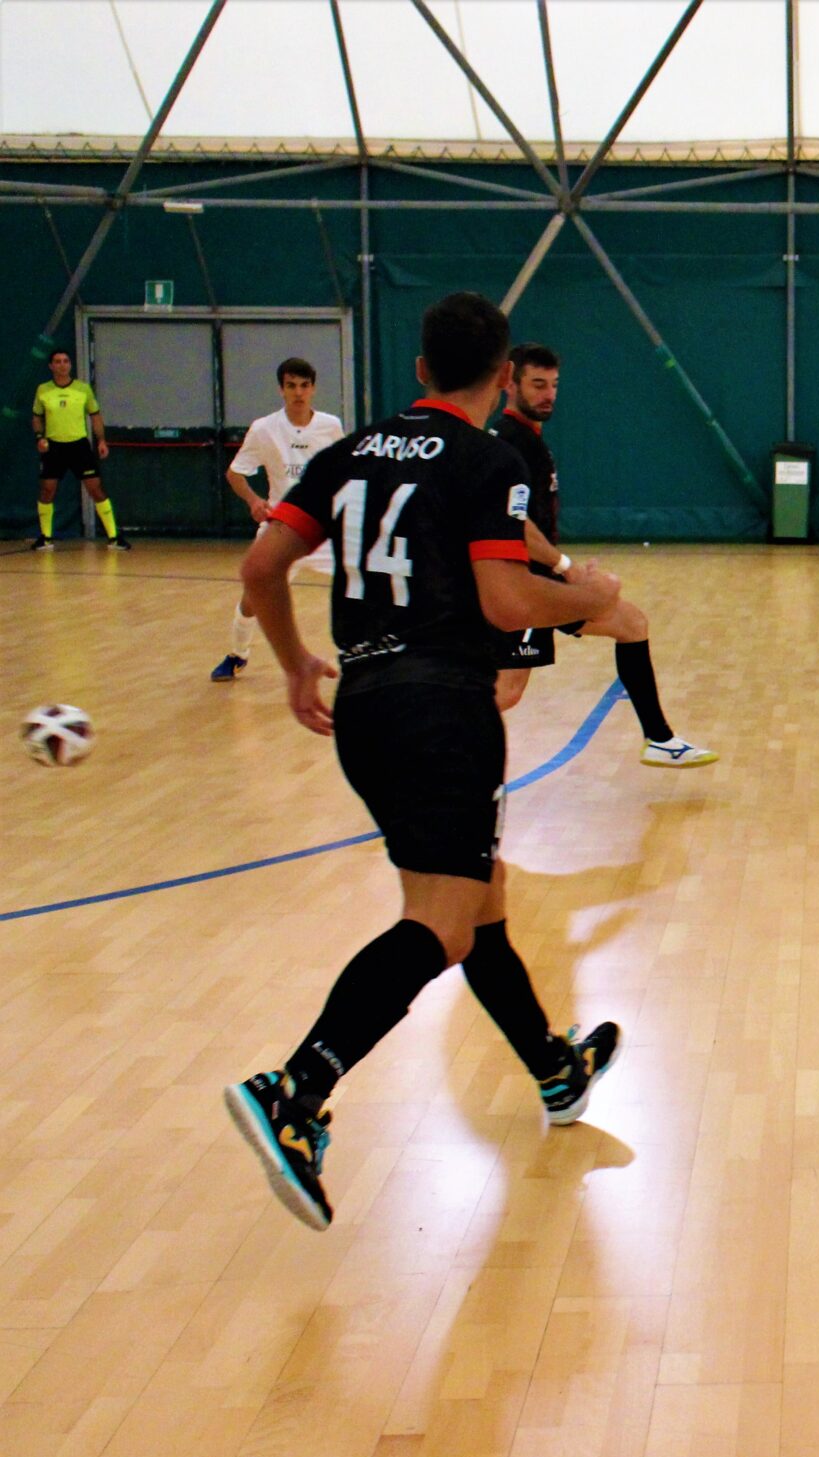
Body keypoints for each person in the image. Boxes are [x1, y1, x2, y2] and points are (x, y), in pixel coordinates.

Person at [224, 292, 625, 1231]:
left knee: (478, 902)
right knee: (440, 924)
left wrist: (295, 664)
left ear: (419, 370)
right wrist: (590, 595)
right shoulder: (487, 460)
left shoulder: (348, 451)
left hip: (365, 707)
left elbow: (259, 569)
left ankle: (553, 1071)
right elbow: (504, 601)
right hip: (443, 708)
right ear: (501, 377)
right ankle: (295, 1090)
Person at [491, 342, 716, 767]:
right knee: (505, 691)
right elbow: (514, 524)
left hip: (543, 580)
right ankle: (416, 742)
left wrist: (563, 570)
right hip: (522, 586)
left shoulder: (532, 441)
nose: (548, 394)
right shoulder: (509, 444)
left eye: (554, 385)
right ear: (509, 383)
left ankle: (660, 739)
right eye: (537, 384)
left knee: (631, 623)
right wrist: (566, 568)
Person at [210, 357, 346, 681]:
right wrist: (254, 501)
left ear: (313, 389)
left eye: (304, 386)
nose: (298, 392)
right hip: (281, 528)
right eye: (291, 386)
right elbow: (235, 473)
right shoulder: (264, 428)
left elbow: (344, 472)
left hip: (324, 528)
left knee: (364, 581)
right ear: (281, 389)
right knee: (253, 597)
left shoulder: (330, 426)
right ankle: (237, 654)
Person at [30, 350, 125, 550]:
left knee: (95, 488)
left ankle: (114, 537)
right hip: (54, 447)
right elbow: (37, 418)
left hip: (78, 446)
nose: (62, 365)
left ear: (70, 365)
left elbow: (95, 416)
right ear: (51, 366)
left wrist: (101, 441)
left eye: (66, 361)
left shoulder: (83, 389)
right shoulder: (43, 390)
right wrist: (40, 437)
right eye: (58, 362)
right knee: (47, 490)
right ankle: (46, 537)